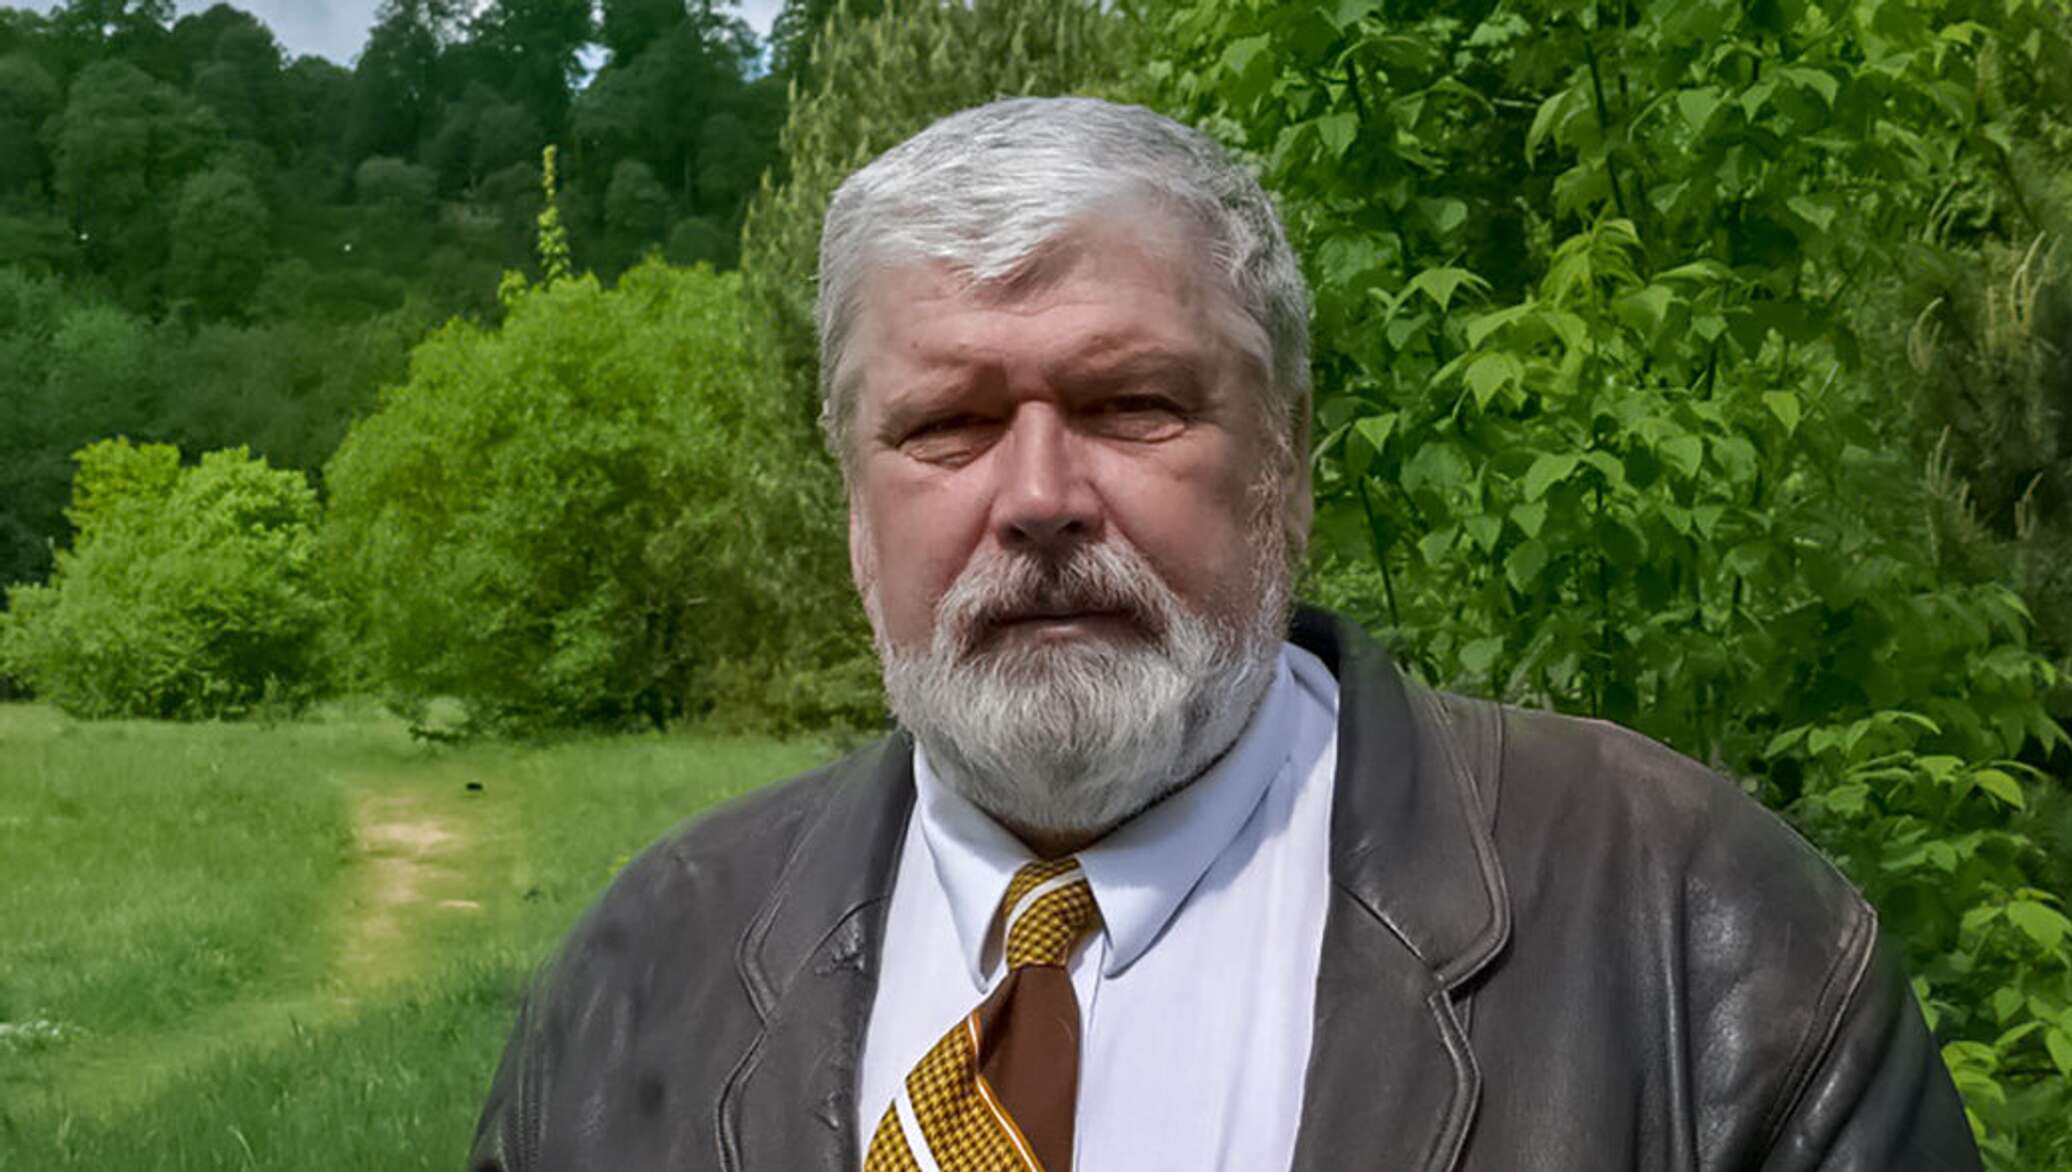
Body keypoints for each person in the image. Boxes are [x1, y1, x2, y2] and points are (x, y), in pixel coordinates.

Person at [467, 97, 1978, 1172]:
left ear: (1288, 455)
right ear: (856, 503)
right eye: (947, 425)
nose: (1039, 499)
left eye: (1133, 404)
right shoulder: (637, 979)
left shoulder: (1697, 930)